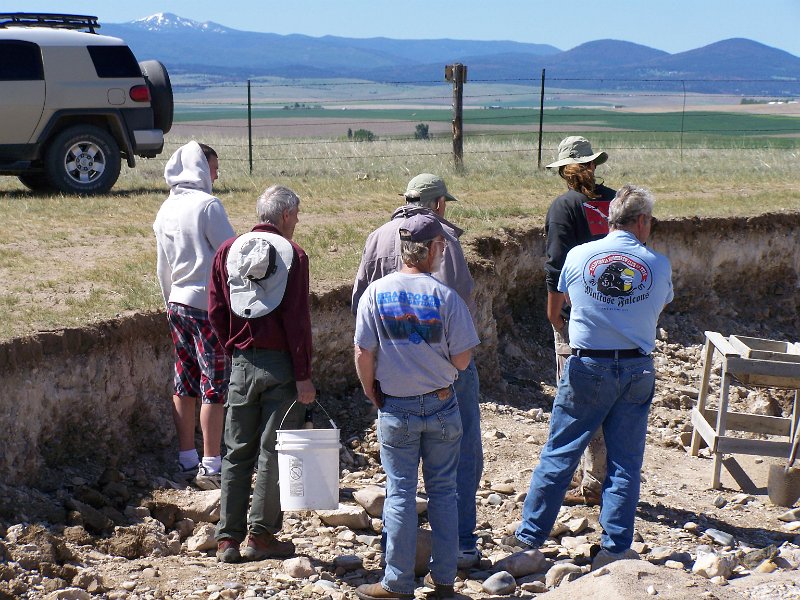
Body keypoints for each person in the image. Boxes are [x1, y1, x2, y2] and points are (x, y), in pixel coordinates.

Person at [503, 185, 673, 570]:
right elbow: (659, 304)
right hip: (637, 367)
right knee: (625, 463)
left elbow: (562, 301)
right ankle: (614, 547)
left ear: (611, 218)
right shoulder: (658, 264)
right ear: (642, 221)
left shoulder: (579, 255)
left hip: (588, 366)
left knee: (561, 451)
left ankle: (530, 539)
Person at [352, 173, 484, 569]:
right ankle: (458, 547)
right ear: (438, 204)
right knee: (459, 462)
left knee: (400, 483)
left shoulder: (376, 237)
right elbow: (461, 309)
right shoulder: (446, 240)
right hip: (444, 377)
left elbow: (359, 307)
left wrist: (372, 380)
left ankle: (396, 561)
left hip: (390, 376)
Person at [208, 184, 316, 563]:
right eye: (297, 214)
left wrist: (232, 348)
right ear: (285, 215)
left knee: (236, 451)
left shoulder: (227, 252)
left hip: (241, 363)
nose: (298, 220)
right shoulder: (294, 256)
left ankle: (227, 539)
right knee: (274, 450)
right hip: (282, 366)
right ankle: (261, 535)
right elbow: (297, 322)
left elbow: (216, 311)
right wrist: (303, 375)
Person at [153, 140, 234, 490]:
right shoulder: (207, 206)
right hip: (207, 306)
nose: (215, 174)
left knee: (183, 379)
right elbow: (232, 253)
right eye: (213, 167)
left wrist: (169, 301)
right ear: (200, 168)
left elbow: (162, 267)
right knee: (213, 384)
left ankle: (186, 457)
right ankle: (212, 462)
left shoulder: (165, 209)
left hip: (177, 304)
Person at [544, 135, 616, 507]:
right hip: (621, 315)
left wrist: (553, 311)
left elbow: (557, 263)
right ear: (594, 166)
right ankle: (611, 478)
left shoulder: (564, 207)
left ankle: (590, 482)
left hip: (579, 315)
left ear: (564, 172)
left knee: (577, 399)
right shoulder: (617, 202)